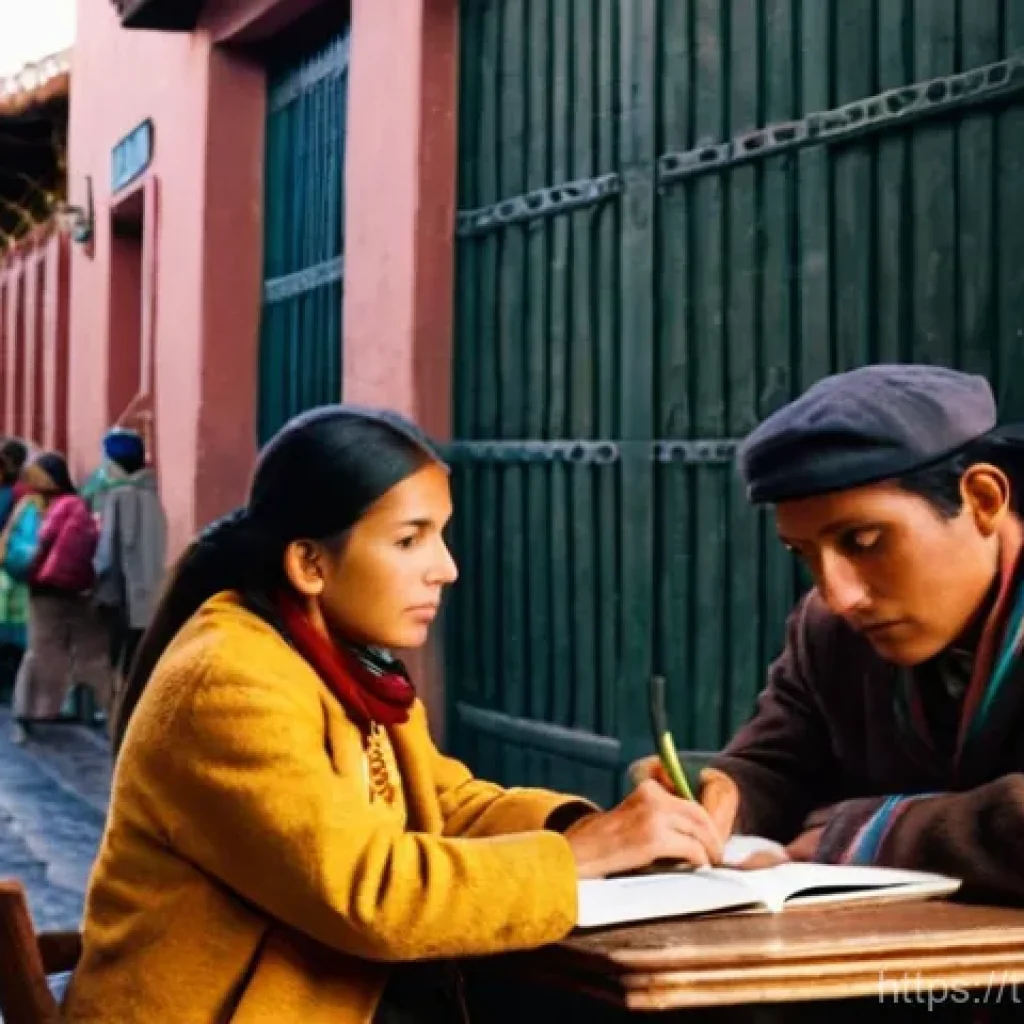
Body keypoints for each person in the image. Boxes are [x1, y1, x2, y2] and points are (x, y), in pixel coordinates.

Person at [63, 406, 731, 1024]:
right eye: (411, 540)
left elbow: (447, 805)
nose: (446, 568)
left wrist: (597, 829)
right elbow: (369, 894)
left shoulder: (347, 662)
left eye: (440, 536)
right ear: (310, 563)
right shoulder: (229, 683)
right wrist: (581, 856)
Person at [635, 364, 1024, 897]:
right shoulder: (826, 630)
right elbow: (780, 764)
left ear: (981, 499)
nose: (839, 597)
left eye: (865, 542)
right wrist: (724, 796)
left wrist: (869, 836)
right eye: (804, 554)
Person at [9, 452, 110, 743]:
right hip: (75, 588)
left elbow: (21, 546)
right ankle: (92, 709)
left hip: (43, 588)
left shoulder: (32, 507)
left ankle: (32, 711)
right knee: (87, 652)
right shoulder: (77, 505)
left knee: (43, 651)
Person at [91, 427, 167, 688]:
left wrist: (95, 581)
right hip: (151, 592)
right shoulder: (152, 494)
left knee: (118, 660)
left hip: (123, 593)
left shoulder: (117, 497)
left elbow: (107, 553)